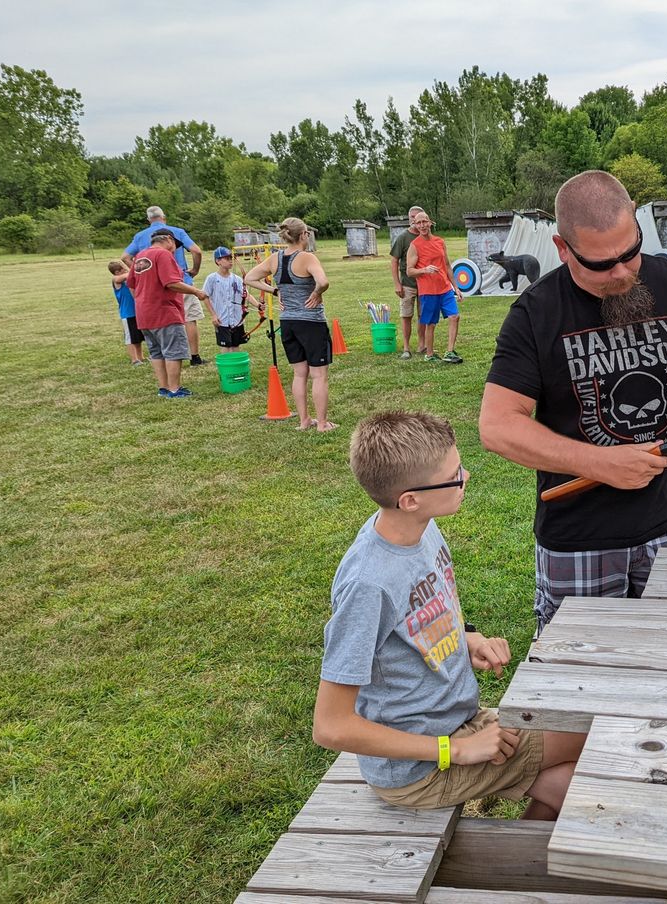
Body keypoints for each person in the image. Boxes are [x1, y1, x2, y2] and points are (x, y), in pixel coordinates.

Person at [479, 171, 667, 635]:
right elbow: (497, 425)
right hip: (578, 539)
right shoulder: (536, 314)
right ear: (563, 249)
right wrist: (597, 462)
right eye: (601, 264)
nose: (622, 272)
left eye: (630, 252)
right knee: (580, 677)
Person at [312, 410, 584, 819]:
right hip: (419, 768)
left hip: (458, 723)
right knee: (588, 759)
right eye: (455, 474)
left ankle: (516, 867)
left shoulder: (420, 529)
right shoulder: (368, 585)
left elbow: (418, 618)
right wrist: (453, 750)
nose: (467, 477)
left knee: (574, 767)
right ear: (410, 499)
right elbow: (331, 726)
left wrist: (465, 638)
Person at [243, 217, 336, 432]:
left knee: (299, 373)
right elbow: (323, 282)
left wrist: (275, 291)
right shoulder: (307, 258)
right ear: (304, 235)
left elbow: (249, 278)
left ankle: (304, 420)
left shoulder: (275, 259)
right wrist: (316, 293)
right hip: (311, 322)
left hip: (288, 323)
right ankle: (322, 424)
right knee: (319, 375)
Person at [126, 228, 212, 399]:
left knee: (156, 352)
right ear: (168, 239)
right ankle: (174, 389)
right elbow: (171, 283)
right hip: (165, 312)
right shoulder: (163, 255)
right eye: (175, 245)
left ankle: (164, 388)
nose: (175, 249)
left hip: (144, 314)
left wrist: (142, 300)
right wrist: (196, 291)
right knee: (173, 350)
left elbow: (131, 284)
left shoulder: (140, 256)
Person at [121, 206, 207, 366]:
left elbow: (125, 257)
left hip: (153, 289)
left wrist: (142, 272)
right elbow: (196, 251)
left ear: (148, 220)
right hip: (181, 282)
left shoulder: (140, 236)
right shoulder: (176, 232)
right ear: (164, 217)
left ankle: (162, 357)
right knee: (189, 319)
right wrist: (194, 270)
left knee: (162, 322)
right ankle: (194, 357)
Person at [406, 211, 463, 364]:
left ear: (430, 223)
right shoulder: (414, 246)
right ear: (415, 225)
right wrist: (425, 269)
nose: (422, 225)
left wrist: (455, 287)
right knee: (431, 324)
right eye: (419, 223)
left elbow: (447, 265)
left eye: (424, 222)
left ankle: (450, 352)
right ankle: (429, 354)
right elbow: (409, 271)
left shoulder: (440, 241)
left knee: (454, 317)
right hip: (428, 291)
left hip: (444, 289)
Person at [202, 247, 258, 353]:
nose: (230, 261)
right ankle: (227, 369)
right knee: (226, 346)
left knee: (236, 345)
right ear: (218, 261)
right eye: (226, 258)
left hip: (236, 320)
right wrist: (213, 315)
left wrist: (258, 305)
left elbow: (246, 295)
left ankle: (236, 368)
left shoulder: (237, 279)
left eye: (231, 258)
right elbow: (205, 297)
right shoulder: (212, 278)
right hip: (221, 320)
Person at [389, 206, 427, 359]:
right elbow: (394, 261)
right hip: (407, 283)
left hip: (425, 284)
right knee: (406, 315)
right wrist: (397, 284)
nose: (414, 220)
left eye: (417, 217)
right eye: (411, 217)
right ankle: (406, 347)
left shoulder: (426, 236)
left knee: (423, 315)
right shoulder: (403, 237)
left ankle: (422, 344)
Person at [107, 260, 145, 365]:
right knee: (130, 338)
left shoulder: (126, 278)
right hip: (127, 314)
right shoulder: (116, 279)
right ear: (117, 272)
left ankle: (141, 357)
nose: (126, 270)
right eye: (123, 269)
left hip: (136, 312)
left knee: (138, 337)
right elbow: (130, 274)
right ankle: (134, 359)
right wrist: (129, 268)